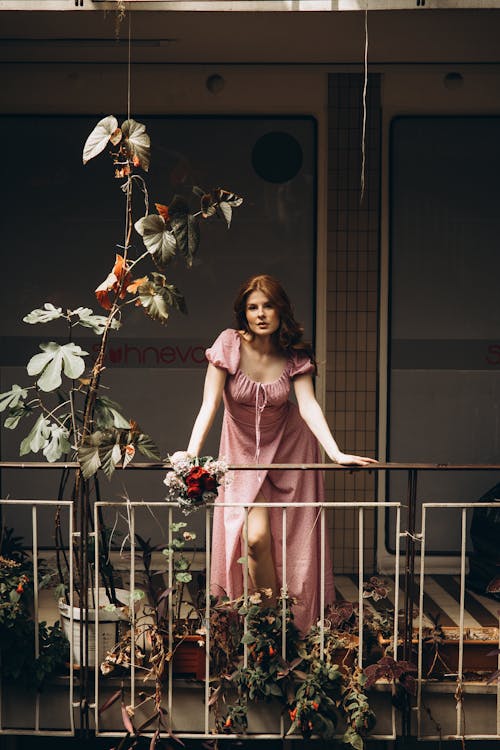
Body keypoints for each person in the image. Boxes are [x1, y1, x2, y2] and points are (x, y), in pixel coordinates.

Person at [171, 274, 376, 632]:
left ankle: (284, 629)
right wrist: (189, 456)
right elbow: (209, 406)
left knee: (293, 545)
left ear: (281, 309)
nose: (261, 314)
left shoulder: (294, 355)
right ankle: (267, 623)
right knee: (254, 539)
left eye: (268, 305)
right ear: (243, 313)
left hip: (290, 452)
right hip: (240, 454)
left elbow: (309, 406)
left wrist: (335, 452)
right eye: (253, 307)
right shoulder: (229, 344)